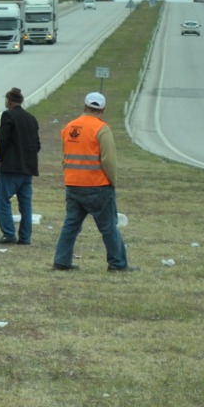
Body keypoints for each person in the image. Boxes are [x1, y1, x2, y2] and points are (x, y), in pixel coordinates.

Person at [52, 92, 136, 273]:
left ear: (84, 106)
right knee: (108, 227)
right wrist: (112, 182)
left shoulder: (69, 127)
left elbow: (64, 157)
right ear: (103, 109)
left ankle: (61, 261)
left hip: (73, 185)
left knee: (71, 225)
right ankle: (118, 264)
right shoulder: (102, 129)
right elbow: (108, 160)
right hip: (97, 186)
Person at [0, 87, 41, 246]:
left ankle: (8, 233)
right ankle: (25, 237)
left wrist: (0, 158)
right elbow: (37, 145)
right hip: (28, 168)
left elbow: (3, 140)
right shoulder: (32, 118)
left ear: (9, 101)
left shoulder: (8, 115)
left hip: (11, 167)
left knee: (2, 200)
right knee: (25, 205)